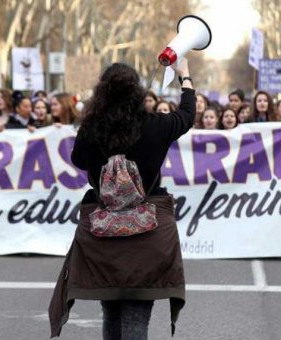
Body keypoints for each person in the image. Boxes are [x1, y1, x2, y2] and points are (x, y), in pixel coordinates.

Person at [49, 60, 193, 339]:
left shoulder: (91, 129)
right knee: (137, 315)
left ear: (101, 93)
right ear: (137, 93)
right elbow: (187, 115)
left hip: (103, 235)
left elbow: (78, 159)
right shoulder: (156, 126)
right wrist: (184, 77)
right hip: (148, 234)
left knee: (111, 311)